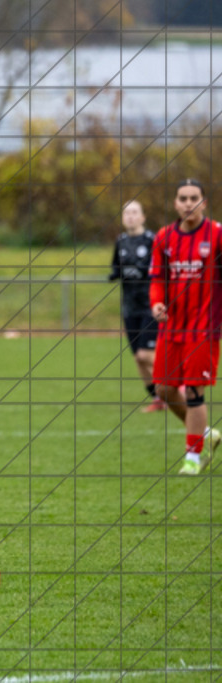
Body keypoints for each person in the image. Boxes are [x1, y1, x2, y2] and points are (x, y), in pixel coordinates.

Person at [149, 179, 222, 475]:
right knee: (164, 389)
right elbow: (158, 279)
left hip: (204, 329)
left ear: (203, 202)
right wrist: (157, 303)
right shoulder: (164, 237)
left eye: (194, 198)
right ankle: (204, 434)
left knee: (193, 391)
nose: (189, 203)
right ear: (175, 203)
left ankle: (193, 458)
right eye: (183, 198)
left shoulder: (217, 235)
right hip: (171, 329)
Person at [109, 200, 164, 412]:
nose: (130, 216)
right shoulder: (121, 241)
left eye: (134, 212)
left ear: (142, 217)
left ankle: (175, 385)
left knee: (145, 355)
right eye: (127, 213)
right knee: (138, 359)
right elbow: (116, 265)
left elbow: (161, 268)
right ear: (123, 219)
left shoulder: (152, 240)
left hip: (150, 306)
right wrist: (115, 274)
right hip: (129, 308)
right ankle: (158, 398)